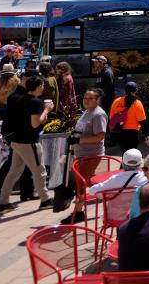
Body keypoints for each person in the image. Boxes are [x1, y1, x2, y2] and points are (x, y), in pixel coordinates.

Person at [0, 76, 54, 213]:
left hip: (17, 140)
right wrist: (46, 110)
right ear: (38, 86)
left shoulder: (18, 99)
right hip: (29, 142)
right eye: (42, 86)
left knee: (14, 172)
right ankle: (45, 200)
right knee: (40, 170)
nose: (43, 88)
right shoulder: (35, 102)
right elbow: (35, 124)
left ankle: (3, 203)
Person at [59, 88, 108, 223]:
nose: (86, 100)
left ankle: (78, 213)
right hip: (81, 154)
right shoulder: (87, 112)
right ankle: (111, 195)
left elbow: (100, 136)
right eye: (85, 98)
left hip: (91, 155)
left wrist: (79, 140)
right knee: (90, 182)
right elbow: (81, 130)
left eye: (90, 98)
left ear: (97, 100)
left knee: (80, 185)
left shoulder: (98, 115)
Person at [109, 81, 149, 153]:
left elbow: (111, 118)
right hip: (132, 133)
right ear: (135, 91)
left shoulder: (116, 101)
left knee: (124, 153)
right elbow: (142, 121)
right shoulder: (137, 103)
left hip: (119, 131)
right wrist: (147, 135)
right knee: (132, 155)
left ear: (125, 91)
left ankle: (124, 164)